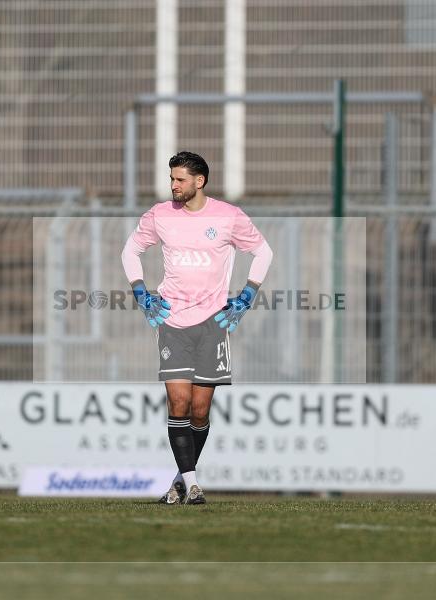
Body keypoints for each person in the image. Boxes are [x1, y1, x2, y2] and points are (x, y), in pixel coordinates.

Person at [121, 151, 274, 505]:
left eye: (180, 179)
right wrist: (141, 291)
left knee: (200, 410)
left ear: (199, 181)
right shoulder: (160, 215)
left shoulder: (228, 217)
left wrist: (247, 296)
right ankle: (193, 485)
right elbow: (130, 251)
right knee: (179, 400)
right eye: (171, 179)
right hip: (171, 319)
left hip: (213, 322)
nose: (173, 185)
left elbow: (264, 252)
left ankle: (179, 480)